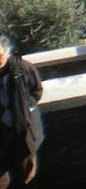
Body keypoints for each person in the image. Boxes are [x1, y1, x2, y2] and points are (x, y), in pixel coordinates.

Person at [0, 34, 44, 189]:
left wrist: (21, 108)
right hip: (2, 133)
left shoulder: (23, 69)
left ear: (6, 52)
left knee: (26, 175)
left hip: (22, 132)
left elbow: (36, 91)